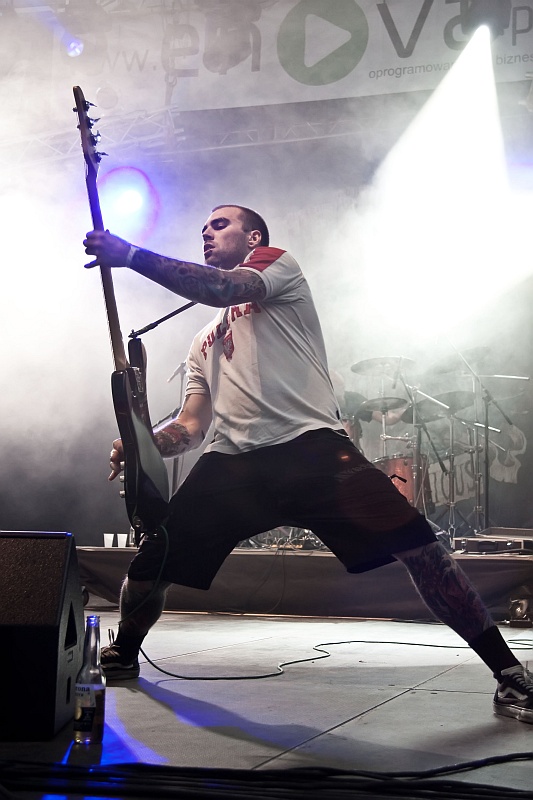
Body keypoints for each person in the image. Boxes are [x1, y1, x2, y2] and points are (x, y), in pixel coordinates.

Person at [84, 205, 533, 723]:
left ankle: (508, 673)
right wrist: (144, 444)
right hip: (233, 463)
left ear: (254, 236)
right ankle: (123, 652)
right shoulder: (200, 341)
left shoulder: (276, 267)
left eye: (220, 224)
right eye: (203, 228)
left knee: (422, 549)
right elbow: (190, 425)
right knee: (153, 560)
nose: (207, 232)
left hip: (312, 449)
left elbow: (224, 288)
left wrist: (132, 255)